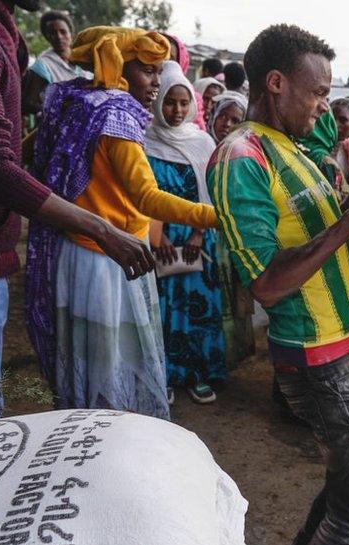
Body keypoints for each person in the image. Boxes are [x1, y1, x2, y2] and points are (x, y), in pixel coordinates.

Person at [207, 24, 349, 545]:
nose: (323, 105)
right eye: (317, 92)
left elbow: (326, 228)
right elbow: (267, 284)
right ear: (275, 83)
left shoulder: (289, 147)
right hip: (318, 353)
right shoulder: (240, 158)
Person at [26, 27, 218, 420]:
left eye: (158, 71)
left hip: (72, 254)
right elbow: (147, 198)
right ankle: (111, 442)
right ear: (117, 65)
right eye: (147, 71)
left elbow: (29, 153)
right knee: (113, 363)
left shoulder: (72, 100)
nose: (156, 82)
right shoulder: (117, 117)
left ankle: (80, 433)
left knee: (86, 359)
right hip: (111, 262)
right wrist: (220, 217)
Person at [0, 1, 156, 419]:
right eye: (148, 69)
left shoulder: (60, 89)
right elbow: (0, 165)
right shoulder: (106, 111)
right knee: (105, 363)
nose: (155, 82)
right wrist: (211, 218)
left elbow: (20, 150)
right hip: (98, 254)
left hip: (86, 250)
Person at [144, 60, 226, 405]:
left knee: (196, 308)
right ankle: (164, 376)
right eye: (169, 102)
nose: (176, 110)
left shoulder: (202, 142)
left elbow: (211, 192)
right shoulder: (144, 139)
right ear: (158, 100)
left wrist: (196, 234)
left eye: (182, 102)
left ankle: (196, 374)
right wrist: (156, 236)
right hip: (157, 237)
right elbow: (142, 194)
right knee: (160, 309)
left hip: (196, 239)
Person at [203, 89, 255, 368]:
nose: (226, 124)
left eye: (235, 119)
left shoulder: (243, 154)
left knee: (237, 298)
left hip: (234, 235)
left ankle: (236, 354)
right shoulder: (202, 145)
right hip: (206, 232)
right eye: (223, 116)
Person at [21, 10, 89, 115]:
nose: (59, 36)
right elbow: (28, 103)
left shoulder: (86, 60)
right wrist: (56, 108)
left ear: (71, 34)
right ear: (47, 37)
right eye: (52, 33)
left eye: (63, 32)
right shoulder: (43, 65)